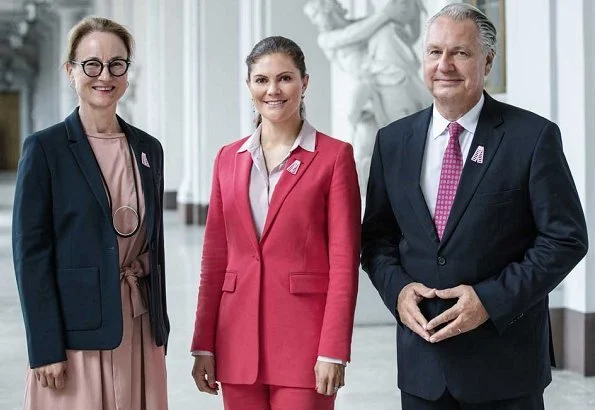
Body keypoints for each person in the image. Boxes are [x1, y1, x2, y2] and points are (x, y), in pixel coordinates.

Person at [361, 4, 588, 410]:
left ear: (487, 60)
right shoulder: (392, 141)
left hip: (505, 366)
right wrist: (397, 291)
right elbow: (378, 239)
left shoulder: (532, 137)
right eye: (434, 52)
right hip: (422, 367)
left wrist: (490, 300)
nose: (444, 65)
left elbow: (565, 238)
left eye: (460, 53)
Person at [190, 36, 360, 410]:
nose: (273, 90)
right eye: (261, 80)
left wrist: (334, 350)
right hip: (235, 342)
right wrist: (203, 343)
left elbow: (344, 263)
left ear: (305, 83)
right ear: (249, 86)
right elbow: (215, 258)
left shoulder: (334, 158)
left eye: (285, 78)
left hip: (304, 343)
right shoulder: (227, 159)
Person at [12, 16, 169, 410]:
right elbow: (31, 256)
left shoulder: (148, 149)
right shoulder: (45, 149)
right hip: (74, 331)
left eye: (117, 63)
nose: (105, 75)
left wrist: (160, 326)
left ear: (127, 73)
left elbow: (154, 239)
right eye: (92, 64)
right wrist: (45, 346)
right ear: (70, 71)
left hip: (137, 323)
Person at [305, 0, 431, 204]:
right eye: (314, 18)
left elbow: (379, 26)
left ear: (333, 10)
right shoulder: (326, 38)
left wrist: (405, 10)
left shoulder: (364, 24)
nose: (318, 21)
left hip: (386, 78)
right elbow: (356, 34)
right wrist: (387, 14)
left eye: (318, 14)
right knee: (379, 143)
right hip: (370, 90)